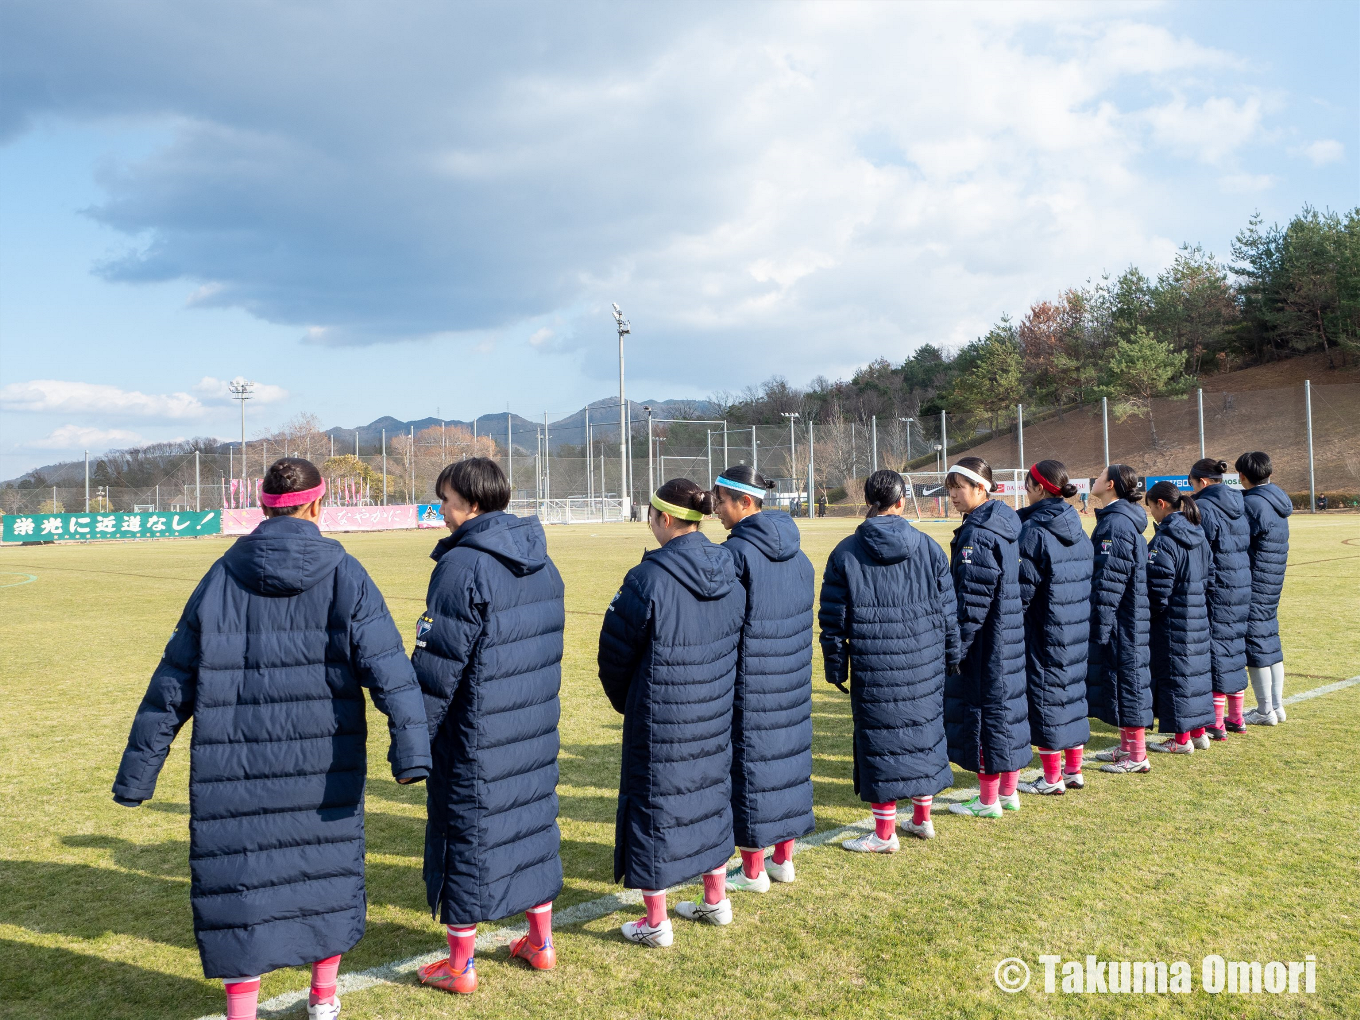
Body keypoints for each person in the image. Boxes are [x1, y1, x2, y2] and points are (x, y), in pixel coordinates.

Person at [112, 458, 430, 1020]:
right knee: (322, 876)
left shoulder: (221, 575)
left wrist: (138, 775)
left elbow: (172, 682)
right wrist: (411, 755)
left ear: (262, 506)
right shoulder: (345, 573)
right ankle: (325, 999)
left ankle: (244, 1011)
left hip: (232, 770)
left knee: (241, 886)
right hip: (322, 765)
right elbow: (390, 671)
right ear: (316, 506)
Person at [413, 458, 566, 995]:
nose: (442, 513)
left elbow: (437, 669)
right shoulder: (543, 562)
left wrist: (414, 739)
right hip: (532, 726)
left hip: (476, 733)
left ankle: (459, 966)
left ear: (473, 504)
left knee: (466, 838)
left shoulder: (462, 567)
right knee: (530, 829)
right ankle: (540, 943)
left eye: (447, 502)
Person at [598, 478, 746, 947]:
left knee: (654, 810)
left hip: (661, 716)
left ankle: (656, 922)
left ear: (664, 519)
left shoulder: (647, 578)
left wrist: (631, 701)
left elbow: (614, 656)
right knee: (709, 797)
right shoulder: (729, 566)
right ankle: (716, 899)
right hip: (714, 707)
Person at [820, 469, 958, 849]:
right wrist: (953, 654)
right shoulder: (929, 547)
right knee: (924, 735)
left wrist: (836, 664)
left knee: (880, 742)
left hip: (874, 662)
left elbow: (834, 619)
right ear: (901, 502)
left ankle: (885, 834)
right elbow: (949, 609)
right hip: (924, 660)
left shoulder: (845, 551)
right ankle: (922, 818)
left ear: (869, 502)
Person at [711, 466, 816, 891]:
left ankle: (752, 871)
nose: (715, 509)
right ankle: (783, 859)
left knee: (750, 769)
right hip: (790, 679)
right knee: (786, 766)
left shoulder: (736, 555)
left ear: (745, 503)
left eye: (720, 500)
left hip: (748, 681)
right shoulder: (799, 553)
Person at [942, 457, 1030, 819]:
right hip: (1007, 635)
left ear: (981, 488)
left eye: (959, 488)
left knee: (986, 714)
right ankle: (1008, 793)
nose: (953, 496)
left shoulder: (978, 534)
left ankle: (988, 800)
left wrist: (955, 648)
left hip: (986, 643)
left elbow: (971, 602)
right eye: (950, 489)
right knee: (1006, 712)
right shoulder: (1004, 523)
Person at [1015, 461, 1094, 796]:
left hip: (1045, 627)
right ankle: (1073, 770)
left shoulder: (1035, 531)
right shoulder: (1075, 523)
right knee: (1072, 694)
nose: (1024, 491)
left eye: (1028, 485)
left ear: (1040, 489)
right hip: (1075, 626)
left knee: (1046, 698)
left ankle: (1051, 778)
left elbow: (1024, 588)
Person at [1085, 465, 1154, 775]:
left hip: (1123, 618)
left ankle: (1137, 755)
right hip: (1124, 616)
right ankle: (1127, 747)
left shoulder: (1116, 525)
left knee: (1130, 681)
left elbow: (1109, 581)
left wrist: (1100, 623)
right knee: (1121, 679)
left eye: (1099, 477)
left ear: (1110, 485)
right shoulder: (1118, 520)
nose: (1094, 481)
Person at [1144, 481, 1216, 756]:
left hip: (1173, 619)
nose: (1151, 513)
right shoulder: (1198, 533)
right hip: (1197, 614)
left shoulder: (1164, 539)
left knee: (1176, 676)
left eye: (1150, 507)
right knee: (1195, 674)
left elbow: (1158, 587)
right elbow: (1211, 576)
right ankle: (1198, 733)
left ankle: (1181, 738)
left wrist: (1150, 613)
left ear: (1161, 504)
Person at [1189, 458, 1252, 740]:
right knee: (1234, 648)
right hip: (1240, 583)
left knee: (1213, 651)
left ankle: (1216, 722)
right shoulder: (1239, 502)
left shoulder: (1203, 506)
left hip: (1217, 587)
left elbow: (1201, 550)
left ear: (1202, 482)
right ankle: (1236, 716)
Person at [1236, 452, 1292, 725]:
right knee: (1269, 637)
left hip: (1254, 579)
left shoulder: (1253, 504)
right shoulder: (1277, 498)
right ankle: (1276, 706)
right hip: (1272, 578)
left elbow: (1237, 541)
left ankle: (1264, 710)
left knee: (1256, 643)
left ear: (1242, 476)